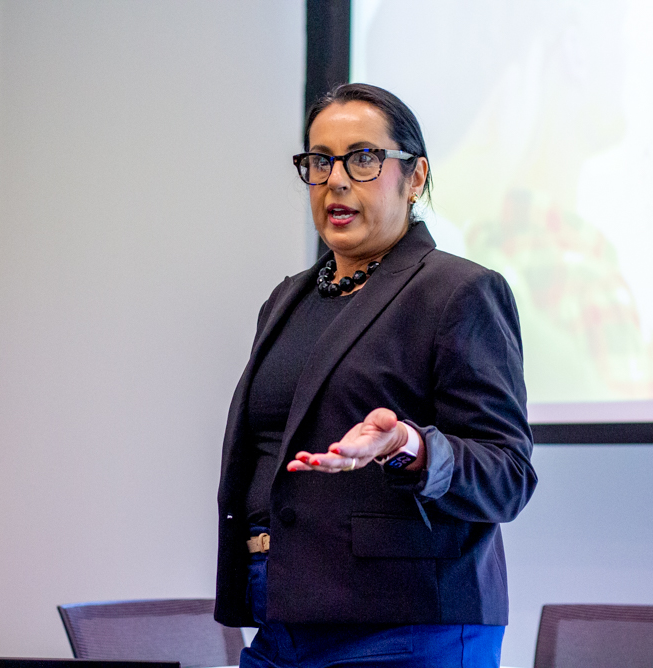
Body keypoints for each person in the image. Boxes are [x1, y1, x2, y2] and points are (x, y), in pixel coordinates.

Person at [214, 83, 537, 668]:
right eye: (320, 161)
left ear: (414, 178)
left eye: (363, 159)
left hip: (406, 629)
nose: (336, 179)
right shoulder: (289, 298)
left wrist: (409, 446)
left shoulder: (458, 292)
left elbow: (507, 473)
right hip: (282, 619)